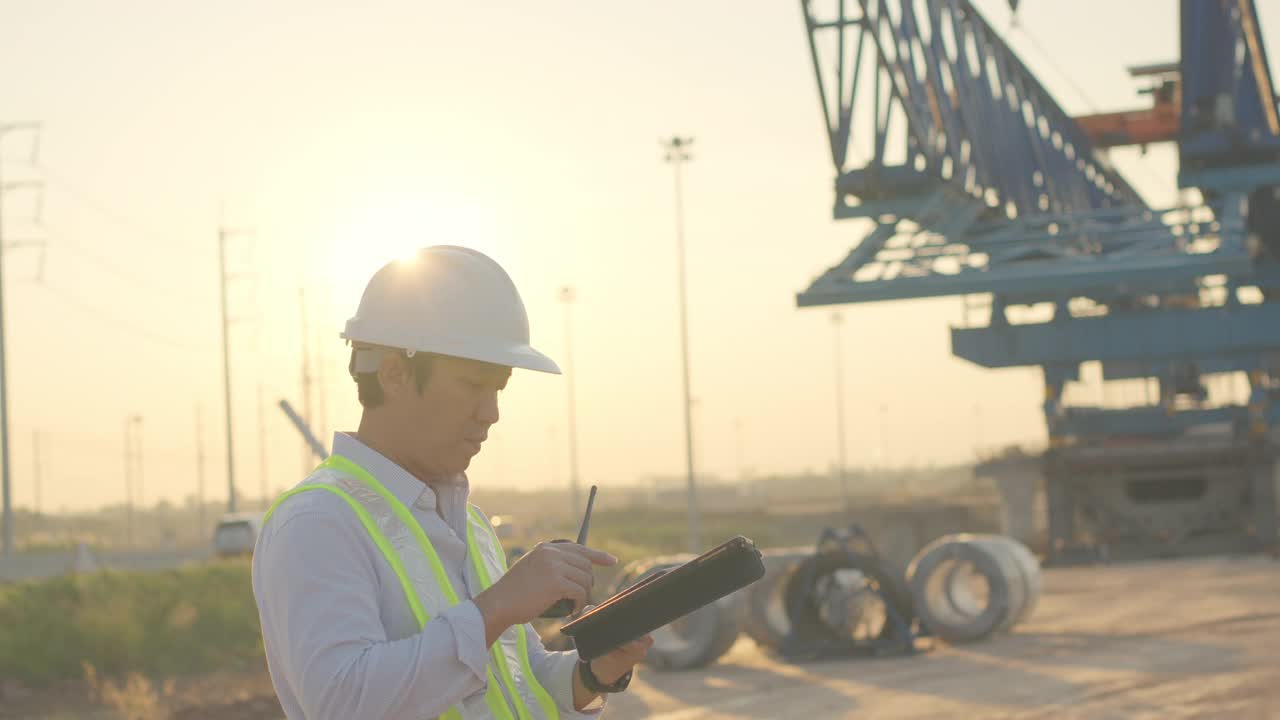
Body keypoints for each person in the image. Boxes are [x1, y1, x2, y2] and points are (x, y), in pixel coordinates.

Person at [251, 245, 652, 719]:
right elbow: (344, 701)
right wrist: (497, 607)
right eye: (471, 385)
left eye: (499, 388)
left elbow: (514, 679)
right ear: (395, 374)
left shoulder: (469, 524)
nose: (491, 413)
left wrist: (592, 674)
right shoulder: (318, 522)